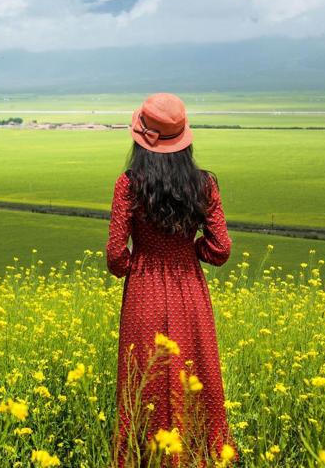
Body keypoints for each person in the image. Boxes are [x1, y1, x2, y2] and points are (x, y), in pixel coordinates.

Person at [107, 93, 238, 466]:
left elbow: (116, 255)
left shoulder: (128, 185)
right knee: (195, 375)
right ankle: (200, 456)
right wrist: (191, 251)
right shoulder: (205, 185)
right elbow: (221, 249)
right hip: (189, 292)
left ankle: (143, 459)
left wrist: (138, 263)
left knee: (144, 377)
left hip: (143, 291)